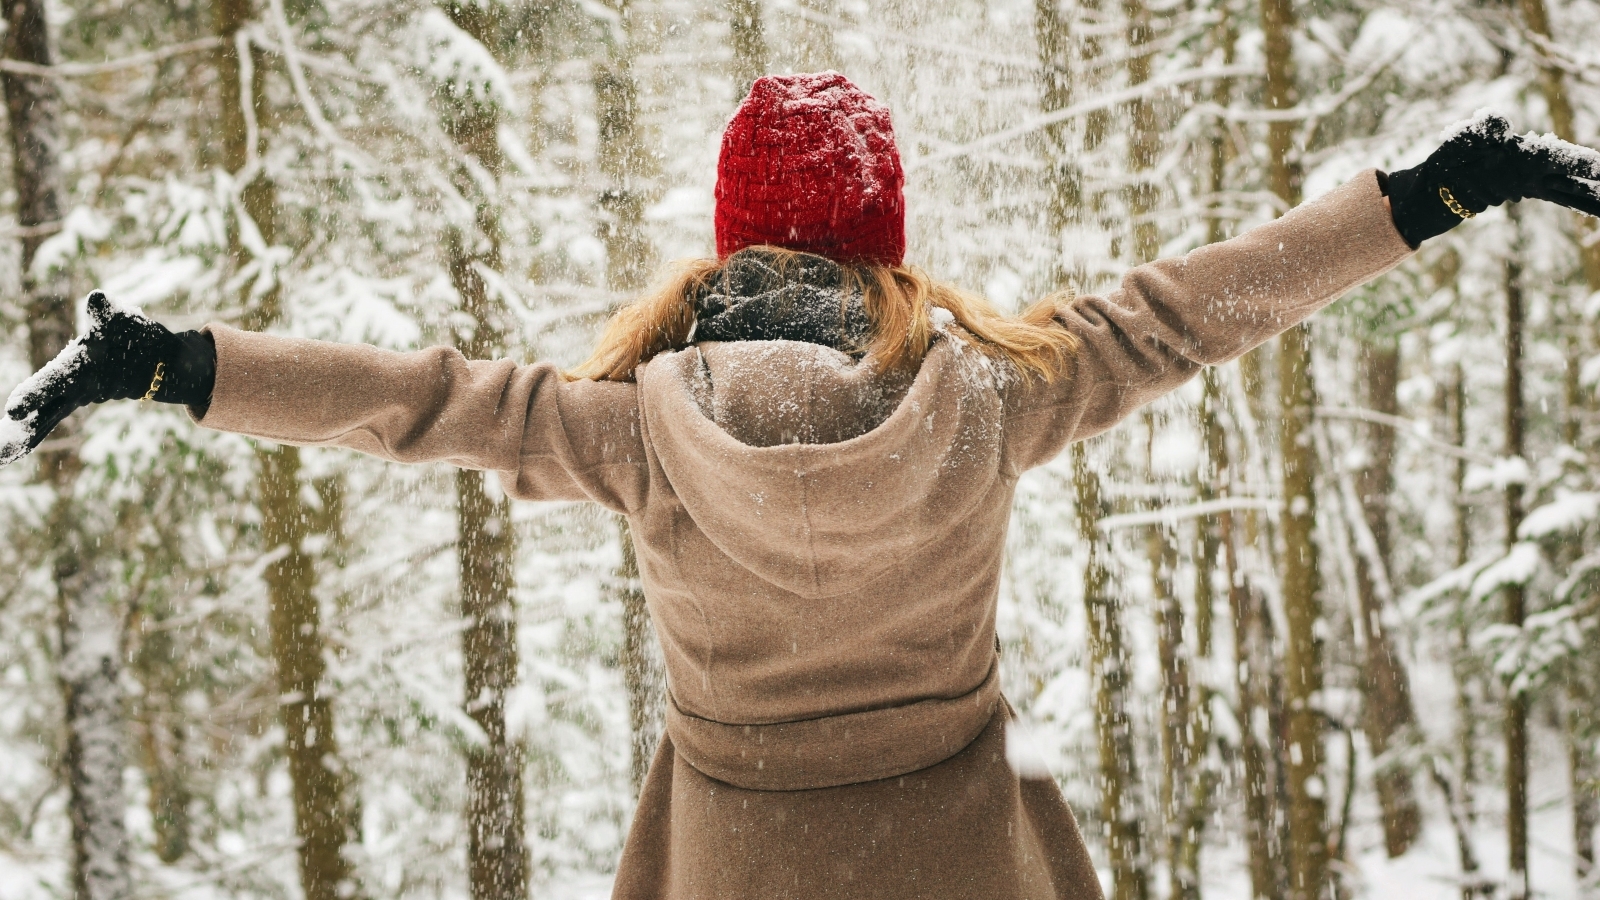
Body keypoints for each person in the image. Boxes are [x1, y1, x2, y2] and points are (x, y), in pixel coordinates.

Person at [5, 74, 1600, 899]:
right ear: (884, 239)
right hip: (971, 864)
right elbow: (1196, 308)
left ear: (727, 242)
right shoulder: (991, 397)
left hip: (736, 869)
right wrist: (1431, 194)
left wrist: (177, 363)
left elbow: (416, 407)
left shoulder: (630, 429)